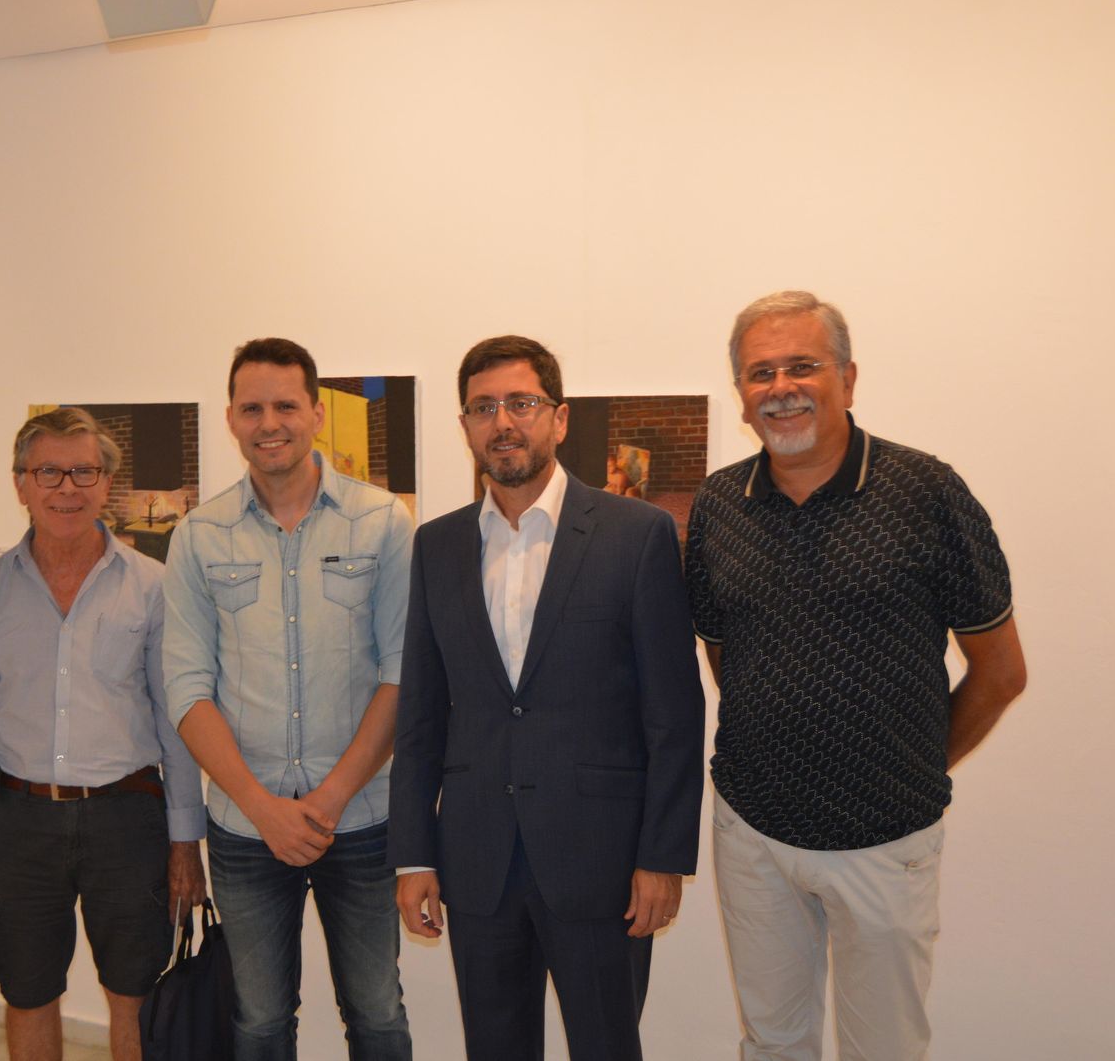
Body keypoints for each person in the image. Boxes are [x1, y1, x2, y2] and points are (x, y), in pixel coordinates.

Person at [685, 290, 1028, 1061]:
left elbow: (1002, 671)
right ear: (741, 396)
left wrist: (909, 762)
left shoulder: (928, 492)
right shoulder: (717, 505)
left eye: (802, 365)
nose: (781, 386)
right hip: (753, 830)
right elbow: (723, 654)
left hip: (886, 839)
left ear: (848, 375)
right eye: (759, 372)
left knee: (886, 1049)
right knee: (771, 1041)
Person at [389, 335, 706, 1061]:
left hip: (603, 861)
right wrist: (413, 855)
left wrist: (664, 855)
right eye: (483, 407)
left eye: (522, 403)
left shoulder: (637, 534)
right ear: (466, 425)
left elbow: (674, 713)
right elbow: (421, 716)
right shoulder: (436, 546)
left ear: (559, 418)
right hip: (476, 859)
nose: (503, 421)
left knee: (606, 1046)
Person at [163, 338, 414, 1061]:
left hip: (363, 821)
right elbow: (187, 688)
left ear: (315, 414)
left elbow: (402, 674)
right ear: (230, 419)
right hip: (245, 828)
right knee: (261, 1020)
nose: (268, 421)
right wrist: (262, 806)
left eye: (285, 405)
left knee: (376, 1013)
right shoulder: (199, 536)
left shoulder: (382, 523)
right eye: (252, 408)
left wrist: (330, 799)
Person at [0, 407, 207, 1061]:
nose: (67, 487)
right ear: (21, 483)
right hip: (23, 820)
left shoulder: (150, 586)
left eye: (83, 471)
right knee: (27, 990)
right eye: (49, 471)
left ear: (106, 483)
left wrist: (185, 842)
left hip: (129, 817)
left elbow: (176, 724)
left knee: (136, 991)